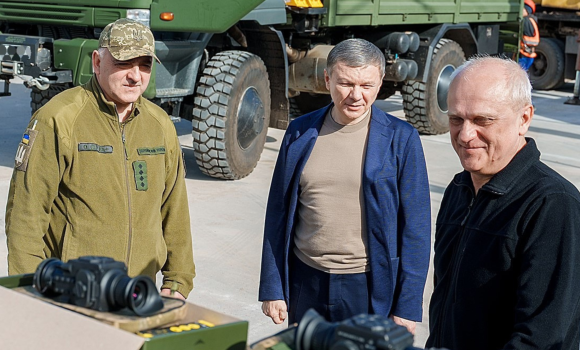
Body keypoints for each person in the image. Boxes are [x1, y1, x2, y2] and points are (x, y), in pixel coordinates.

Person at [5, 18, 195, 299]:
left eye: (144, 64)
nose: (135, 75)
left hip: (137, 293)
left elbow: (174, 208)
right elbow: (26, 214)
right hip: (71, 292)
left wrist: (177, 281)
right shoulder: (59, 119)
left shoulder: (160, 125)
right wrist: (31, 290)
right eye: (123, 63)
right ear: (97, 61)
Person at [259, 38, 431, 333]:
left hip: (366, 286)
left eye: (366, 86)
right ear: (327, 79)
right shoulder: (301, 131)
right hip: (305, 280)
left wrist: (407, 305)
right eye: (346, 84)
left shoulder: (401, 139)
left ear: (380, 84)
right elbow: (278, 210)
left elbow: (416, 229)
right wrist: (273, 287)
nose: (356, 95)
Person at [426, 56, 580, 350]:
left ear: (524, 118)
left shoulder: (552, 205)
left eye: (483, 120)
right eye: (456, 119)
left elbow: (542, 338)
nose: (466, 134)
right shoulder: (459, 189)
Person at [519, 0, 540, 71]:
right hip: (529, 55)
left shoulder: (526, 21)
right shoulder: (532, 19)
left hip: (524, 55)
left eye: (522, 9)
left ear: (527, 10)